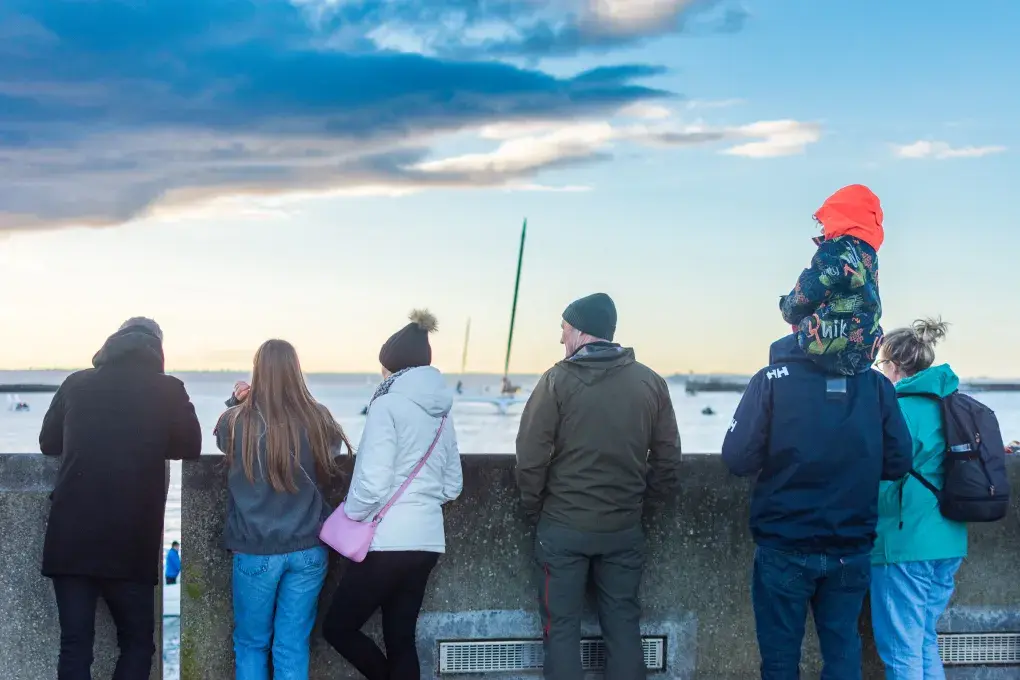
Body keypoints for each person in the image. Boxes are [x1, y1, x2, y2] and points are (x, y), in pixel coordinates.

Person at [721, 332, 912, 680]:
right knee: (842, 652)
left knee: (780, 658)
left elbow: (737, 458)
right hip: (850, 542)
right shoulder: (877, 385)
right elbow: (899, 462)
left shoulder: (771, 381)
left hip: (784, 540)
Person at [516, 293, 681, 680]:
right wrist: (643, 508)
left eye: (564, 329)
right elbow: (668, 462)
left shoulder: (556, 381)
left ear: (581, 331)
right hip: (623, 529)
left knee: (561, 630)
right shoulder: (650, 383)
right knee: (623, 625)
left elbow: (530, 458)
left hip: (562, 529)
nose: (561, 339)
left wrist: (536, 510)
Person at [39, 317, 202, 680]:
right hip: (130, 537)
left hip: (71, 535)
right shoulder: (168, 389)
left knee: (75, 644)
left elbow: (48, 443)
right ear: (158, 350)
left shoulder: (76, 383)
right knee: (137, 644)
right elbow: (190, 447)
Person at [323, 310, 463, 680]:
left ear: (392, 368)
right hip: (428, 541)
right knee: (401, 639)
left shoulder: (386, 403)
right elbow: (452, 486)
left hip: (387, 543)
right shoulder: (443, 412)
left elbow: (371, 481)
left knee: (337, 628)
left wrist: (351, 515)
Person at [215, 339, 352, 680]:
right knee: (291, 645)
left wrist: (238, 401)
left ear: (258, 371)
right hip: (308, 548)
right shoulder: (319, 418)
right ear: (296, 370)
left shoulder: (236, 421)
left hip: (255, 548)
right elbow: (332, 453)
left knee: (251, 644)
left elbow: (218, 437)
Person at [870, 319, 967, 679]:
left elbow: (880, 481)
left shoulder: (897, 411)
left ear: (894, 366)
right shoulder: (952, 404)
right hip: (950, 540)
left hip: (904, 544)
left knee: (901, 651)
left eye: (880, 365)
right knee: (924, 639)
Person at [780, 184, 884, 376]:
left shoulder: (835, 249)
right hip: (865, 349)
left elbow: (807, 294)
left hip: (826, 341)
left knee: (778, 352)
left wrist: (787, 306)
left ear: (839, 217)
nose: (823, 228)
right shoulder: (869, 257)